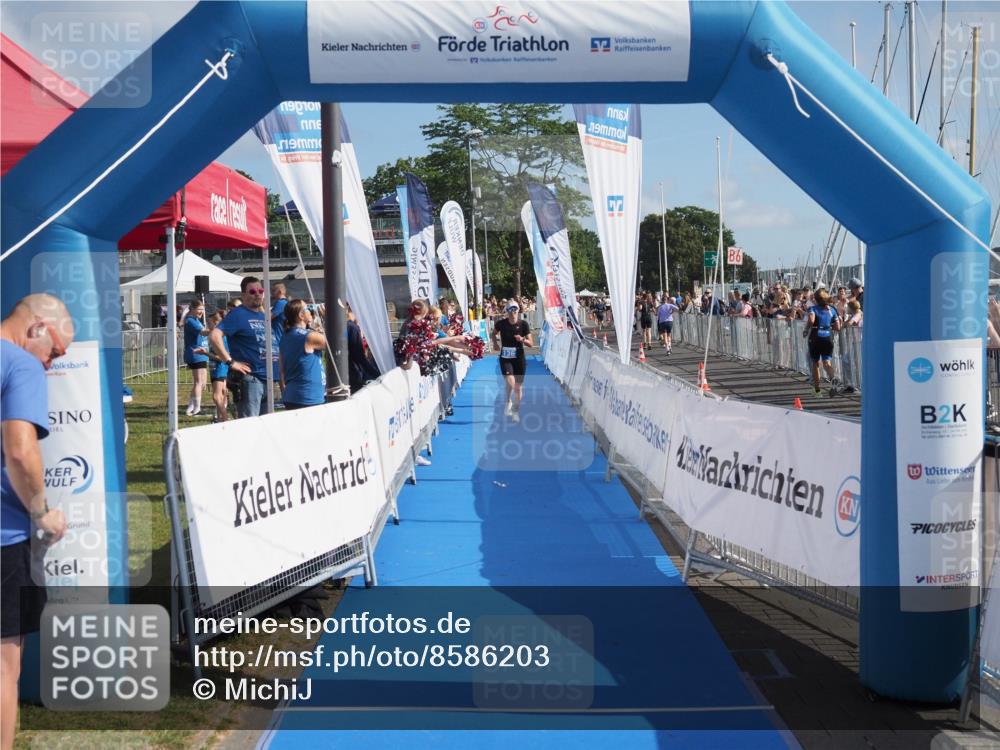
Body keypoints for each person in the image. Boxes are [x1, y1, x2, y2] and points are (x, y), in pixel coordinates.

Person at [1, 294, 71, 750]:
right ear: (37, 328)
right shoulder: (20, 365)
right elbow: (21, 452)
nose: (51, 365)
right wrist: (43, 511)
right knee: (5, 666)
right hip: (5, 539)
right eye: (55, 352)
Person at [210, 276, 270, 418]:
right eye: (253, 291)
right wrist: (231, 362)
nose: (258, 294)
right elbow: (214, 336)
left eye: (260, 290)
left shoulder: (263, 315)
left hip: (268, 378)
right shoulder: (238, 314)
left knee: (266, 428)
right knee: (249, 428)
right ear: (243, 295)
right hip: (251, 380)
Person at [279, 299, 327, 410]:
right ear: (301, 315)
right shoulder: (308, 337)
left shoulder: (285, 336)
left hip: (292, 396)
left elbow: (281, 369)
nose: (311, 311)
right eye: (308, 309)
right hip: (308, 397)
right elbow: (337, 342)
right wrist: (327, 317)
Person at [492, 301, 533, 423]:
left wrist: (522, 340)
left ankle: (515, 411)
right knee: (510, 380)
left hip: (519, 358)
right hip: (505, 357)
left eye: (515, 310)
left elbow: (531, 344)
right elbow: (493, 333)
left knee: (518, 388)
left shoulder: (523, 324)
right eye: (510, 310)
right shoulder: (501, 324)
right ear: (507, 311)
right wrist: (494, 343)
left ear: (518, 311)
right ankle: (508, 401)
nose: (513, 313)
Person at [804, 288, 842, 396]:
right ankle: (833, 378)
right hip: (828, 337)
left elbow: (811, 320)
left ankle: (817, 391)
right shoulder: (832, 309)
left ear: (815, 299)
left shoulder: (813, 309)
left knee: (815, 363)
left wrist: (806, 329)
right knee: (827, 363)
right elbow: (838, 327)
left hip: (816, 336)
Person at [182, 300, 209, 416]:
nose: (201, 312)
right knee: (199, 382)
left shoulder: (196, 320)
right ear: (192, 309)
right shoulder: (190, 321)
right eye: (199, 309)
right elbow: (203, 332)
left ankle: (191, 407)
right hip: (195, 354)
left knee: (202, 383)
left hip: (201, 354)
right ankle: (197, 409)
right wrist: (218, 329)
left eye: (202, 310)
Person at [347, 306, 380, 394]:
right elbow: (360, 357)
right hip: (354, 372)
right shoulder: (353, 328)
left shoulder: (339, 325)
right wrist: (376, 374)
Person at [205, 312, 229, 423]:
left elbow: (222, 357)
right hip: (217, 368)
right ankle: (220, 418)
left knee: (216, 396)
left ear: (215, 323)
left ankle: (224, 419)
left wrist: (205, 353)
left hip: (219, 368)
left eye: (208, 323)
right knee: (222, 393)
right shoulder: (218, 335)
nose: (207, 325)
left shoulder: (219, 337)